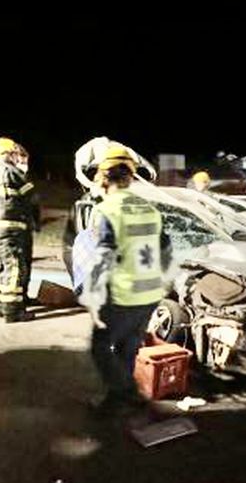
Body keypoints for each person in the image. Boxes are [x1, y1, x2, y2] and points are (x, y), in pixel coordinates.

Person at [79, 146, 173, 413]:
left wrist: (92, 292)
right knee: (127, 347)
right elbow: (166, 251)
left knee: (100, 348)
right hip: (150, 292)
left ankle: (128, 392)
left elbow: (104, 255)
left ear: (103, 178)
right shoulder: (149, 209)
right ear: (130, 177)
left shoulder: (107, 209)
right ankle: (117, 399)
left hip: (124, 294)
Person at [0, 137, 39, 322]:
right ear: (10, 154)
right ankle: (13, 312)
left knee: (1, 268)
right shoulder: (13, 173)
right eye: (14, 154)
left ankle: (2, 306)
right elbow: (31, 196)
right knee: (14, 269)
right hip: (11, 230)